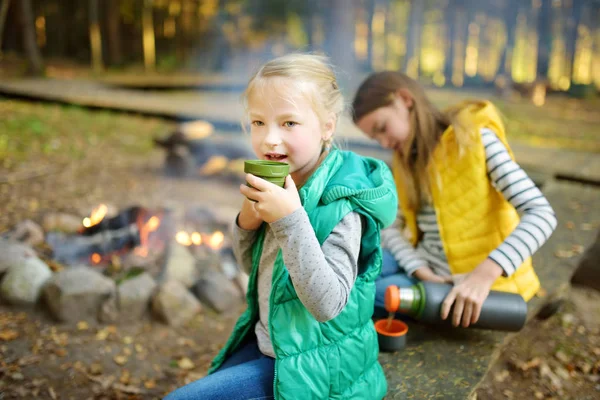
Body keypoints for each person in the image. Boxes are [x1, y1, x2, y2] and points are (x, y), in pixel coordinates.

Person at [165, 54, 397, 400]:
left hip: (322, 372)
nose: (270, 139)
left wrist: (289, 221)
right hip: (276, 346)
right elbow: (250, 268)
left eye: (289, 123)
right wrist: (248, 222)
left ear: (327, 126)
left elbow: (327, 305)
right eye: (259, 122)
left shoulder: (342, 205)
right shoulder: (284, 180)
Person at [351, 71, 557, 327]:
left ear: (405, 99)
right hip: (425, 268)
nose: (383, 142)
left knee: (366, 292)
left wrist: (485, 274)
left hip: (471, 281)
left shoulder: (474, 141)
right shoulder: (406, 161)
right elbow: (393, 227)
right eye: (375, 138)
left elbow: (542, 214)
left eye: (382, 128)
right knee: (350, 266)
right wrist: (420, 270)